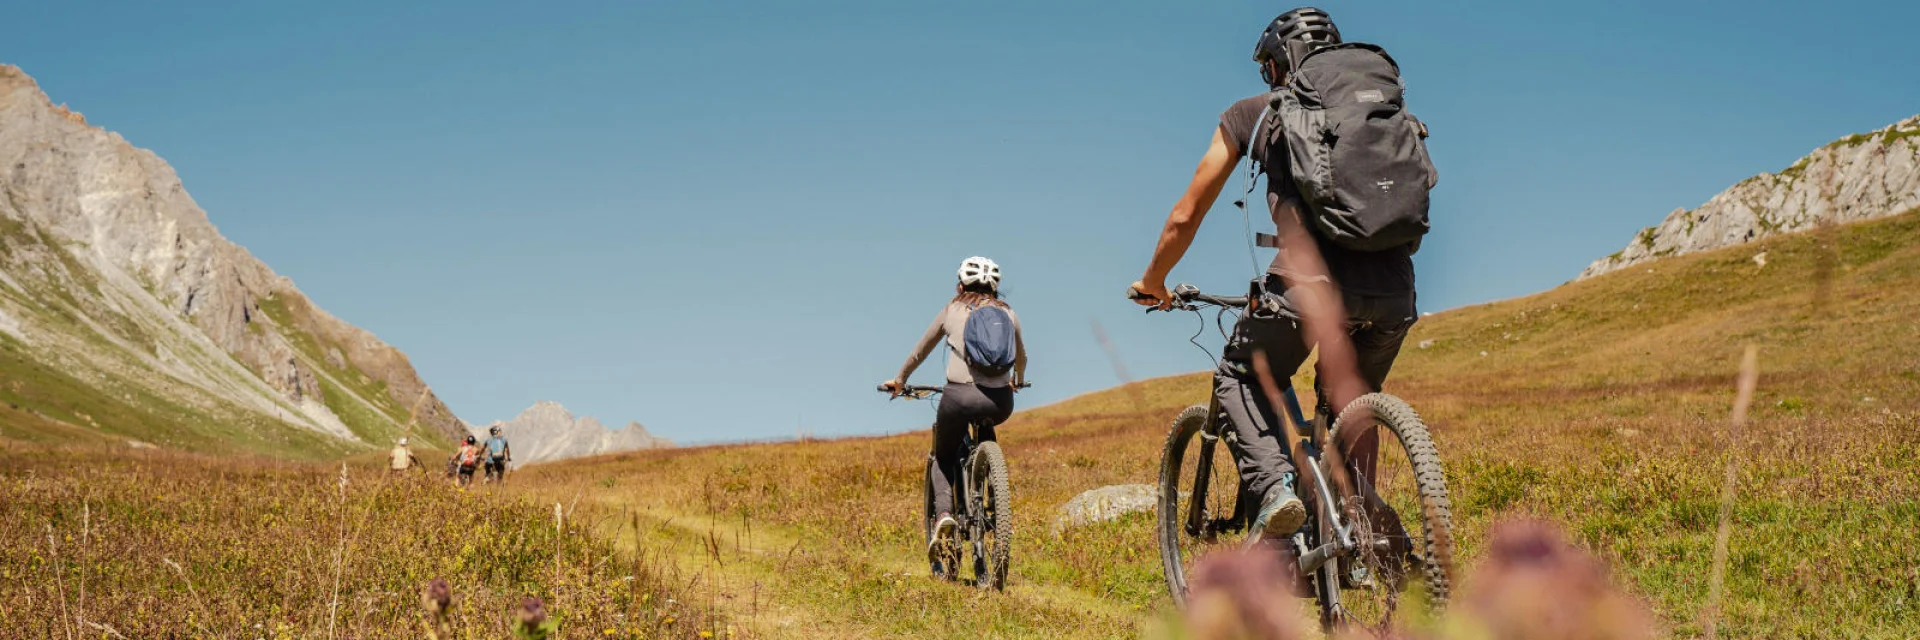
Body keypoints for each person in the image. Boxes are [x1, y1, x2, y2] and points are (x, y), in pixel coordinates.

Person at [1128, 7, 1421, 544]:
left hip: (1307, 288)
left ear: (1278, 64)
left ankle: (1274, 490)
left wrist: (1154, 281)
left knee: (1238, 373)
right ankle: (1377, 541)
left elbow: (1186, 214)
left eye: (1267, 68)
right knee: (1349, 407)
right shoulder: (1378, 110)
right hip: (1394, 291)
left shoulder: (1255, 113)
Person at [880, 256, 1028, 565]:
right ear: (995, 288)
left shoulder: (953, 309)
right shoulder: (1009, 314)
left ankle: (945, 515)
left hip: (959, 398)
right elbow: (1021, 357)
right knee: (987, 424)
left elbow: (921, 349)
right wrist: (1018, 381)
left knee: (943, 456)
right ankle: (991, 492)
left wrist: (900, 380)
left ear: (960, 285)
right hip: (1001, 402)